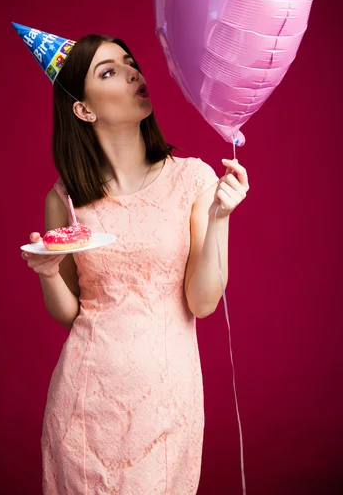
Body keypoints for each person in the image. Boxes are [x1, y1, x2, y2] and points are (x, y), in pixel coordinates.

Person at [21, 33, 249, 494]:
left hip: (167, 404)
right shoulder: (65, 199)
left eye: (130, 64)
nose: (132, 74)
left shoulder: (193, 178)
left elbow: (201, 303)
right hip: (84, 406)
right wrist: (48, 274)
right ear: (84, 109)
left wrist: (219, 216)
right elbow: (72, 314)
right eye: (108, 72)